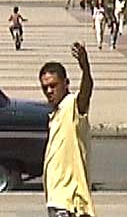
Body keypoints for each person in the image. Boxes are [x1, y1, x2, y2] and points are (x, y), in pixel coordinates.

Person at [39, 42, 95, 217]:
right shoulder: (55, 114)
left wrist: (85, 68)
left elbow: (86, 92)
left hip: (70, 203)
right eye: (45, 87)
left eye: (53, 86)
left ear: (66, 83)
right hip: (57, 200)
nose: (49, 91)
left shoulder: (72, 105)